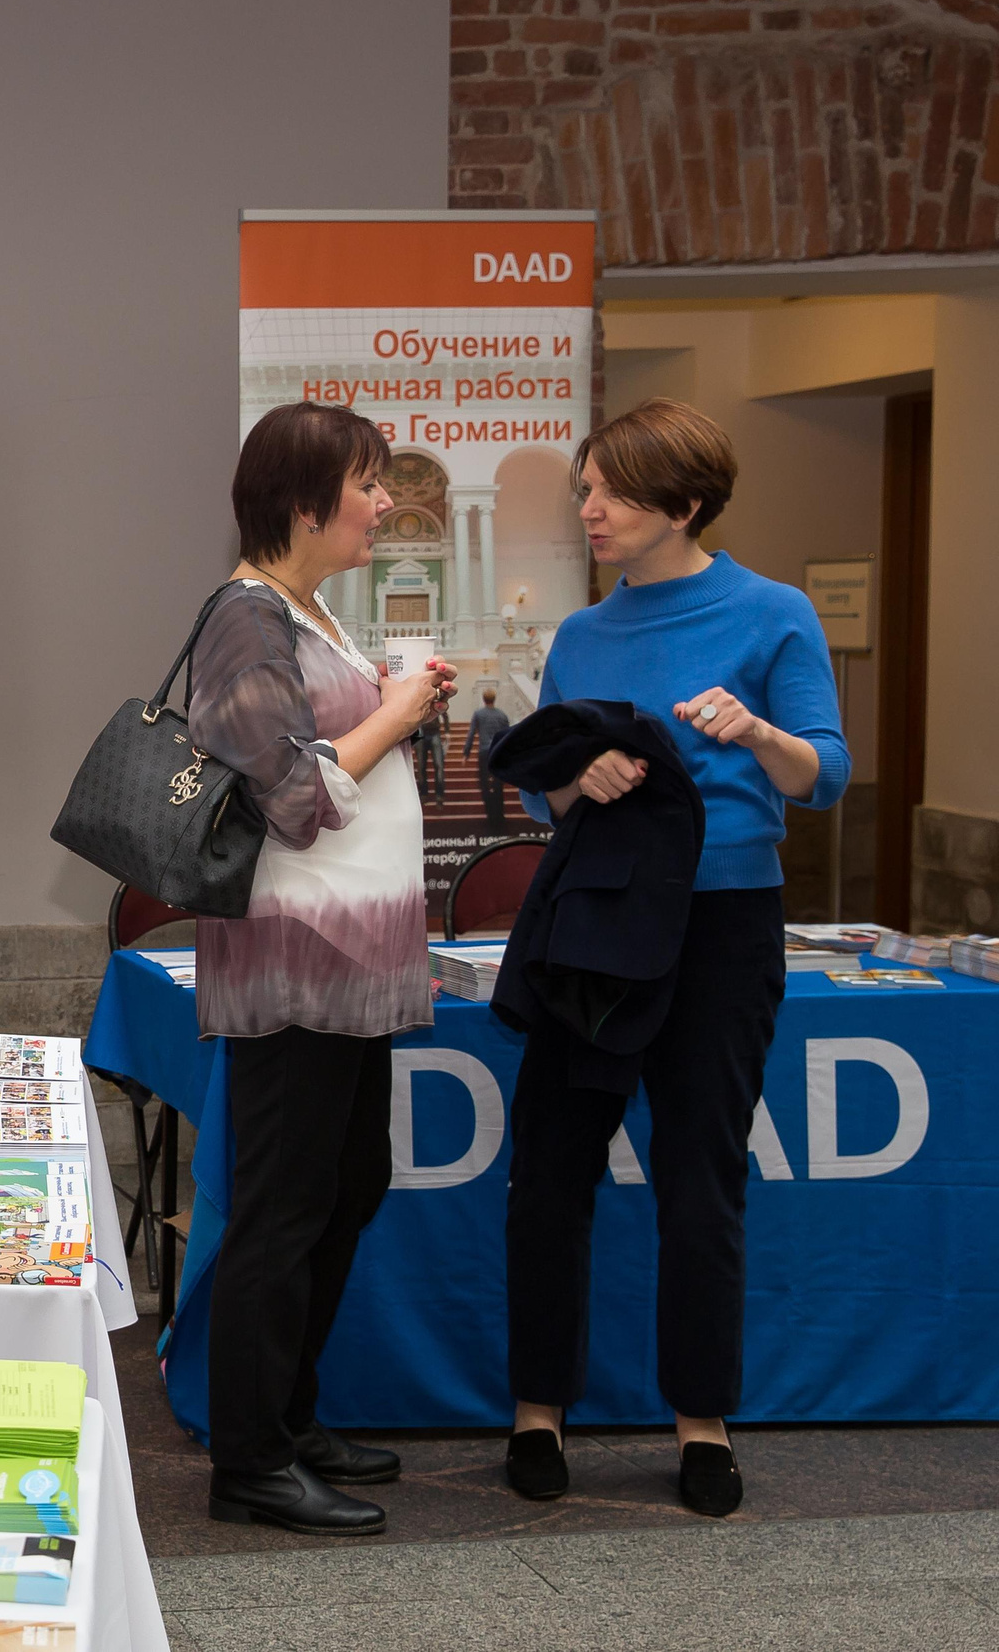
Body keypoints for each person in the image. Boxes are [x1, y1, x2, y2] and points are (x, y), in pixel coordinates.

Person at [501, 399, 847, 1518]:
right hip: (594, 929)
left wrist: (753, 732)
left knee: (700, 1183)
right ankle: (536, 1415)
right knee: (550, 1176)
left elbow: (822, 777)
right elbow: (543, 778)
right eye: (585, 489)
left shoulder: (773, 614)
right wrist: (576, 781)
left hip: (720, 930)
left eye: (607, 491)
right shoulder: (581, 635)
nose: (588, 510)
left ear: (683, 505)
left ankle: (702, 1424)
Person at [190, 402, 453, 1537]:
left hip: (357, 959)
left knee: (343, 1192)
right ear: (302, 501)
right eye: (366, 483)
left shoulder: (312, 614)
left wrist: (406, 711)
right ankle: (249, 1460)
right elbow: (289, 797)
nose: (384, 502)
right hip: (295, 958)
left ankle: (290, 1420)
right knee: (284, 1209)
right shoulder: (244, 618)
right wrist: (395, 714)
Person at [464, 687, 513, 827]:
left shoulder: (479, 714)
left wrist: (466, 753)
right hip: (497, 752)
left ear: (484, 699)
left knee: (484, 784)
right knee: (498, 784)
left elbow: (472, 733)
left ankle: (490, 814)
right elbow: (507, 736)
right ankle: (499, 815)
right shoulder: (502, 715)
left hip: (484, 751)